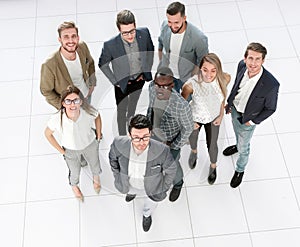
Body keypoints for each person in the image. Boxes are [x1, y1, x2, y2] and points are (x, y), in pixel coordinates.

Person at [223, 42, 280, 188]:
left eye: (257, 59)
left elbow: (271, 108)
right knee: (237, 134)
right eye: (250, 58)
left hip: (248, 119)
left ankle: (239, 170)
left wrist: (253, 121)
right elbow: (236, 86)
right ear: (245, 58)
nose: (253, 63)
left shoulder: (271, 84)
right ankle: (237, 145)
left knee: (244, 146)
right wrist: (230, 104)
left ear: (263, 61)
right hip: (235, 109)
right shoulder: (241, 66)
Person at [109, 114, 177, 232]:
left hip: (152, 188)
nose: (141, 142)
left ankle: (146, 215)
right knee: (130, 191)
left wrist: (163, 187)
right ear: (129, 135)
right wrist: (117, 176)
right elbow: (112, 160)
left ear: (150, 133)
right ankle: (131, 194)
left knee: (150, 205)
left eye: (145, 137)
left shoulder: (162, 151)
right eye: (136, 137)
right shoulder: (118, 143)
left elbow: (171, 170)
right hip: (128, 184)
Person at [99, 10, 154, 135]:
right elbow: (103, 64)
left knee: (133, 104)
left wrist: (146, 71)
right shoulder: (110, 45)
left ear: (135, 25)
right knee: (121, 110)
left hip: (139, 80)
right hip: (122, 83)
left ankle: (131, 123)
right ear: (119, 30)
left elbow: (150, 50)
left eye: (132, 31)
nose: (130, 36)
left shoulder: (144, 33)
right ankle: (122, 136)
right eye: (125, 33)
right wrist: (115, 81)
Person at [44, 86, 102, 202]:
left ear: (80, 102)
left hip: (89, 144)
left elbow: (97, 116)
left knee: (95, 164)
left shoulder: (87, 111)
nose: (72, 105)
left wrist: (98, 136)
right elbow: (47, 134)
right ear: (63, 103)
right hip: (70, 150)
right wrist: (62, 151)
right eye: (68, 101)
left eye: (76, 100)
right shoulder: (57, 118)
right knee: (74, 171)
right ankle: (74, 186)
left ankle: (96, 179)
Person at [181, 53, 231, 185]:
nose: (209, 75)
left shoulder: (225, 78)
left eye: (213, 70)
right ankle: (194, 151)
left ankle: (213, 166)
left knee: (212, 146)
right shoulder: (191, 85)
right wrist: (190, 122)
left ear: (218, 70)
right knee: (192, 139)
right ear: (200, 68)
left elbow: (222, 98)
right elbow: (181, 106)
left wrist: (221, 115)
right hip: (195, 118)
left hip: (214, 118)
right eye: (205, 70)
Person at [147, 67, 193, 202]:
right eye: (157, 85)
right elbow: (151, 108)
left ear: (172, 85)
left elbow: (188, 127)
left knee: (172, 165)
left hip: (170, 141)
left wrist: (175, 145)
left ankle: (178, 184)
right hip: (154, 135)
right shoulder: (151, 88)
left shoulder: (181, 105)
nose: (160, 89)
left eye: (165, 86)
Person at [40, 21, 97, 109]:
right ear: (60, 40)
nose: (70, 41)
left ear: (78, 38)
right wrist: (64, 106)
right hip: (70, 105)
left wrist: (92, 85)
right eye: (66, 37)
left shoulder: (82, 47)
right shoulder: (49, 65)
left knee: (88, 117)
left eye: (73, 36)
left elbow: (91, 63)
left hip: (86, 96)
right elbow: (46, 91)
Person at [158, 1, 208, 93]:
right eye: (170, 22)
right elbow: (160, 42)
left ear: (184, 18)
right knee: (170, 101)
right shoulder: (165, 26)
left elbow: (202, 61)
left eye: (176, 22)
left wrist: (193, 78)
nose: (172, 26)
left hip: (186, 78)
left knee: (186, 103)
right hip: (168, 75)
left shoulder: (199, 38)